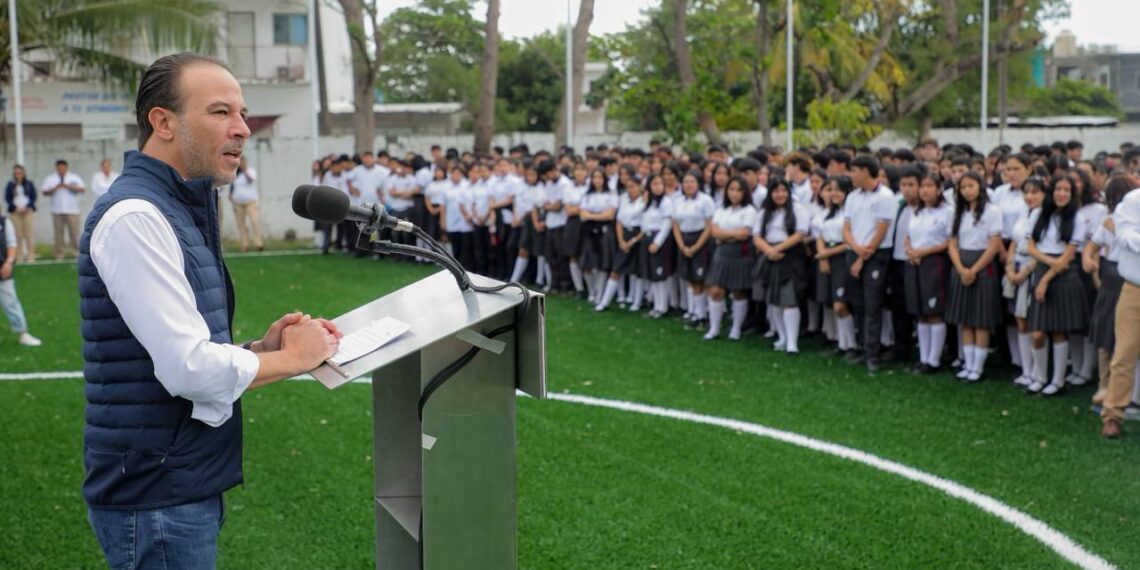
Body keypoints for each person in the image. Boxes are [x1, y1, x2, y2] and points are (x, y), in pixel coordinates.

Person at [79, 53, 341, 569]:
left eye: (242, 114)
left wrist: (259, 351)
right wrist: (292, 359)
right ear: (163, 122)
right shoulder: (137, 215)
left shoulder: (178, 205)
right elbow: (188, 369)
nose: (241, 129)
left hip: (177, 480)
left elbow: (176, 351)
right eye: (221, 113)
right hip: (158, 493)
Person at [1025, 174, 1087, 395]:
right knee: (1038, 332)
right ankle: (1040, 377)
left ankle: (1057, 381)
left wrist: (1044, 279)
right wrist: (1050, 264)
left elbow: (1068, 256)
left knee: (1059, 330)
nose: (1062, 194)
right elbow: (1031, 248)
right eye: (1058, 189)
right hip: (1046, 265)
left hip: (1063, 275)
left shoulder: (1076, 218)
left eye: (1067, 191)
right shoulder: (1039, 214)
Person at [946, 171, 1004, 382]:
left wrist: (974, 270)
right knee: (965, 319)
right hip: (960, 265)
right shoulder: (957, 213)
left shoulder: (992, 211)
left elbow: (994, 245)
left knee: (980, 319)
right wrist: (961, 268)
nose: (967, 191)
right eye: (962, 187)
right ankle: (967, 364)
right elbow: (952, 243)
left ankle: (977, 368)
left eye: (970, 186)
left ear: (980, 187)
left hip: (983, 265)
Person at [842, 156, 896, 373]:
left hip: (875, 255)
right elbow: (846, 228)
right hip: (855, 251)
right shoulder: (853, 196)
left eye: (854, 170)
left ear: (865, 171)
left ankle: (873, 354)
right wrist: (856, 249)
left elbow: (881, 231)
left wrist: (863, 256)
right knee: (858, 304)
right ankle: (863, 347)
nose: (851, 175)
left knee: (873, 305)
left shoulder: (885, 196)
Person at [904, 171, 953, 373]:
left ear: (939, 189)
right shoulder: (917, 211)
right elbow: (908, 235)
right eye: (922, 186)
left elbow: (949, 241)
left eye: (929, 186)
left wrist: (924, 251)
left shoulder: (947, 211)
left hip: (935, 262)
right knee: (920, 312)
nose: (925, 190)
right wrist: (910, 250)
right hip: (915, 262)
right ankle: (923, 358)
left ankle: (934, 360)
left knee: (934, 312)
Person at [753, 177, 810, 353]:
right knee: (774, 300)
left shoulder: (798, 210)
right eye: (776, 191)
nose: (780, 195)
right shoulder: (764, 213)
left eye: (783, 190)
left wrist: (777, 249)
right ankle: (782, 337)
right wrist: (769, 251)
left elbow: (800, 234)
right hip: (769, 255)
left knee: (789, 299)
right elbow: (756, 236)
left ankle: (792, 342)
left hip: (791, 256)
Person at [704, 175, 757, 340]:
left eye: (738, 190)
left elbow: (744, 234)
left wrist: (725, 235)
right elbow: (714, 232)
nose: (734, 193)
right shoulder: (721, 210)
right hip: (722, 254)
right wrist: (731, 235)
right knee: (715, 291)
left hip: (740, 253)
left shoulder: (749, 210)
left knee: (738, 291)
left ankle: (736, 329)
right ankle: (714, 329)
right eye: (731, 189)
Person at [1005, 177, 1045, 387]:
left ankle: (1039, 373)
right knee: (1019, 320)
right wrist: (1010, 266)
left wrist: (1025, 272)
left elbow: (1041, 250)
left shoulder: (1045, 217)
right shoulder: (1023, 213)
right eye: (1026, 192)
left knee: (1033, 322)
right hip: (1017, 266)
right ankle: (1026, 370)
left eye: (1035, 192)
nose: (1029, 197)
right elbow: (1013, 242)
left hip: (1034, 270)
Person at [816, 176, 855, 355]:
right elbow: (820, 236)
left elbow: (850, 241)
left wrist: (827, 254)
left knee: (841, 304)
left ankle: (852, 344)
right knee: (832, 304)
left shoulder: (851, 213)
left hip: (842, 257)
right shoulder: (828, 213)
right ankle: (842, 344)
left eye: (838, 190)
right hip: (827, 256)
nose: (834, 194)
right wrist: (822, 257)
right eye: (831, 190)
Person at [0, 211, 42, 346]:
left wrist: (8, 262)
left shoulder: (4, 222)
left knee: (10, 301)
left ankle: (23, 333)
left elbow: (11, 243)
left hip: (3, 269)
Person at [42, 159, 86, 259]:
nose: (61, 170)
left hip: (72, 210)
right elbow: (44, 192)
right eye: (59, 168)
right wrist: (55, 188)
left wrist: (69, 186)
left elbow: (83, 189)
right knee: (58, 234)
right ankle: (59, 254)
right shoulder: (51, 179)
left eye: (63, 168)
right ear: (56, 168)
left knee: (74, 233)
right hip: (57, 210)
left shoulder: (74, 177)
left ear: (66, 167)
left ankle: (76, 252)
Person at [229, 156, 264, 252]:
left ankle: (259, 243)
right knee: (241, 224)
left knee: (254, 221)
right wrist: (231, 195)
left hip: (251, 201)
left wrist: (244, 170)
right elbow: (232, 185)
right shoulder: (235, 173)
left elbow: (250, 179)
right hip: (238, 202)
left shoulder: (250, 171)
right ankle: (245, 244)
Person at [4, 164, 36, 262]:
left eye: (20, 173)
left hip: (27, 212)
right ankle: (19, 256)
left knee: (29, 234)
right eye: (16, 173)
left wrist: (27, 207)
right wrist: (15, 208)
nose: (18, 175)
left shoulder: (29, 184)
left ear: (23, 173)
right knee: (17, 234)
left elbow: (33, 197)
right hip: (15, 212)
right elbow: (8, 198)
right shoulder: (10, 184)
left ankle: (31, 256)